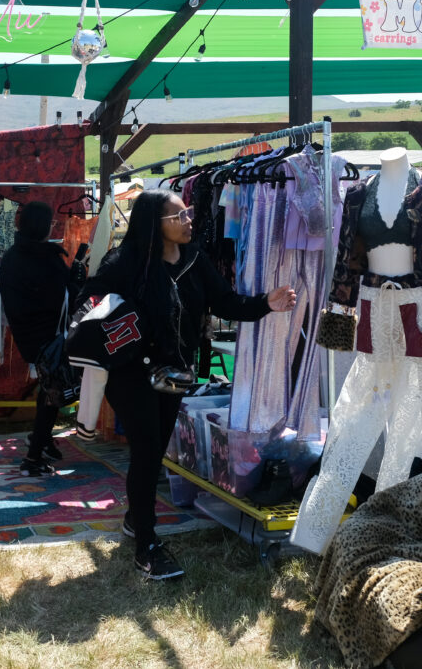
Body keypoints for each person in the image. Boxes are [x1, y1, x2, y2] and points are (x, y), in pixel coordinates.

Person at [79, 189, 296, 580]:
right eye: (179, 215)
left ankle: (135, 519)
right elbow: (91, 306)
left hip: (174, 372)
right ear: (154, 223)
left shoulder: (195, 259)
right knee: (147, 451)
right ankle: (146, 546)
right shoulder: (124, 263)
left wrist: (267, 303)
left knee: (156, 449)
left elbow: (225, 302)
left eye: (189, 212)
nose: (189, 220)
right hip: (131, 375)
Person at [0, 202, 82, 477]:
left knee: (48, 387)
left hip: (27, 334)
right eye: (51, 223)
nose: (53, 227)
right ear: (42, 226)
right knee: (52, 389)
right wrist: (76, 281)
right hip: (48, 334)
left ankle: (41, 440)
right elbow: (61, 296)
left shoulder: (13, 256)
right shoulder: (45, 258)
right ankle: (32, 458)